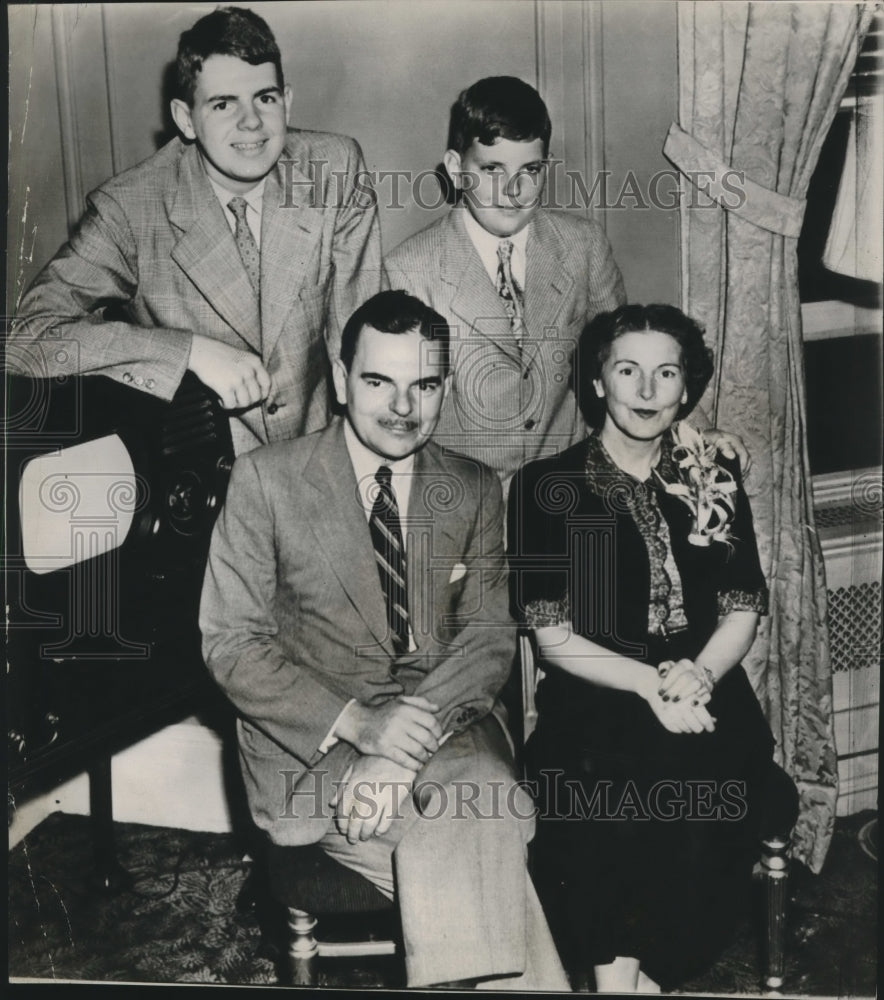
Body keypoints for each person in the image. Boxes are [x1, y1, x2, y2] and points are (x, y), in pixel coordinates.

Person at [200, 290, 570, 990]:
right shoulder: (266, 481)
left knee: (477, 806)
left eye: (423, 385)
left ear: (446, 388)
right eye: (379, 382)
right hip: (312, 755)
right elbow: (231, 645)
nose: (403, 407)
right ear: (342, 383)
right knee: (488, 820)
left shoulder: (473, 486)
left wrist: (399, 754)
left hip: (447, 734)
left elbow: (490, 634)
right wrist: (364, 729)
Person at [507, 304, 791, 992]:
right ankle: (620, 982)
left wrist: (696, 673)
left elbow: (742, 608)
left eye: (666, 374)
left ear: (685, 389)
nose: (645, 390)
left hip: (705, 693)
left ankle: (652, 975)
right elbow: (551, 638)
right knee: (613, 802)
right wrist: (648, 685)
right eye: (627, 370)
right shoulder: (546, 487)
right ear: (598, 381)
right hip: (593, 698)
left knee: (707, 796)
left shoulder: (713, 474)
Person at [8, 6, 382, 456]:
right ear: (185, 118)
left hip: (323, 456)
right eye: (223, 104)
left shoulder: (335, 169)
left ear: (288, 100)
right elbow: (26, 339)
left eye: (265, 98)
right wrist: (188, 353)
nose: (251, 122)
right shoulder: (131, 208)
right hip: (205, 483)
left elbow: (366, 345)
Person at [385, 76, 746, 489]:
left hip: (574, 495)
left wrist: (697, 436)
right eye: (491, 169)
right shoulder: (408, 270)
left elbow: (631, 359)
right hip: (465, 506)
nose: (513, 190)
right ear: (456, 169)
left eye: (530, 171)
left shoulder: (581, 245)